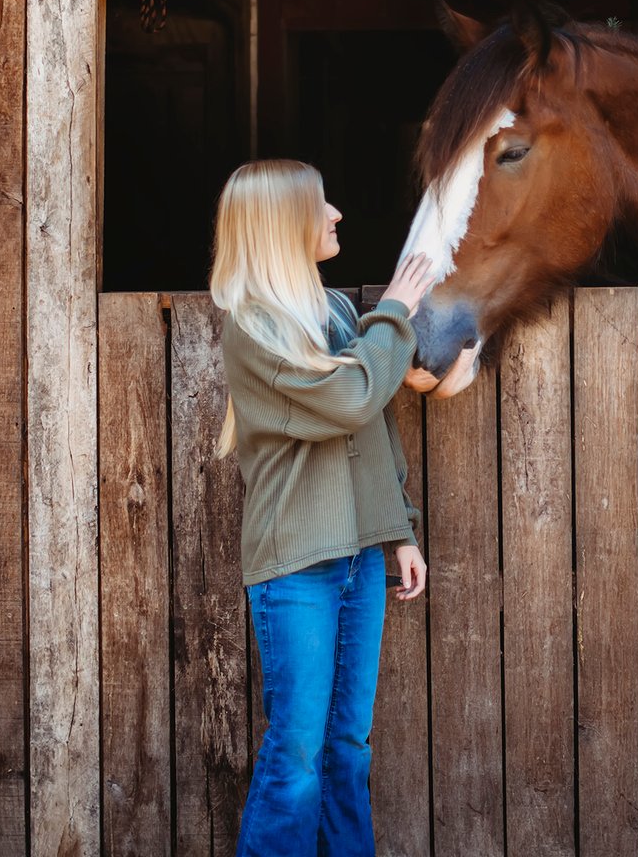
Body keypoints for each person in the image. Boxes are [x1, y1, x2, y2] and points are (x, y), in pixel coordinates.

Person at [211, 158, 434, 857]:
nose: (336, 214)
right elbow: (350, 400)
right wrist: (395, 309)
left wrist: (396, 532)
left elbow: (372, 432)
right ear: (282, 225)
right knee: (298, 756)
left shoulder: (337, 312)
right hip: (297, 567)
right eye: (321, 204)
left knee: (348, 747)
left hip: (360, 561)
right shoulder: (252, 328)